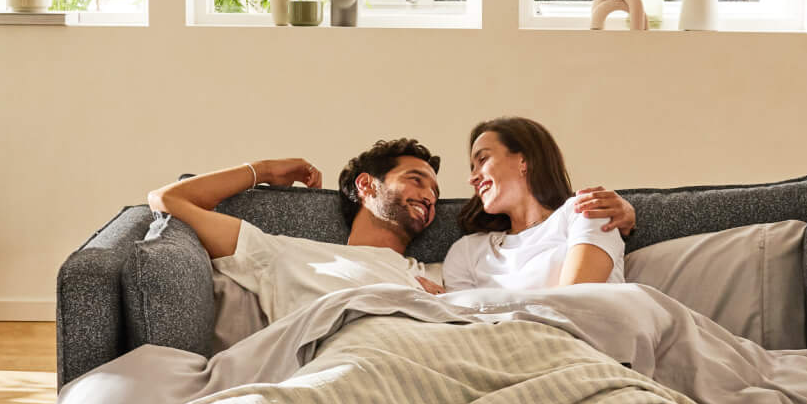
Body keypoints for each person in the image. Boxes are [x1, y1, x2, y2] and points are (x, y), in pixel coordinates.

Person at [147, 137, 635, 322]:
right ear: (366, 186)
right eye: (415, 180)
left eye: (435, 191)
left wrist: (624, 216)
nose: (429, 195)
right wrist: (267, 168)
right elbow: (170, 200)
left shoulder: (440, 275)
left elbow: (534, 281)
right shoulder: (285, 253)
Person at [442, 118, 626, 292]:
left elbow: (575, 304)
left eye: (482, 160)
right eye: (472, 167)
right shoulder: (467, 251)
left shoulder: (583, 211)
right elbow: (459, 323)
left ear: (524, 161)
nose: (471, 178)